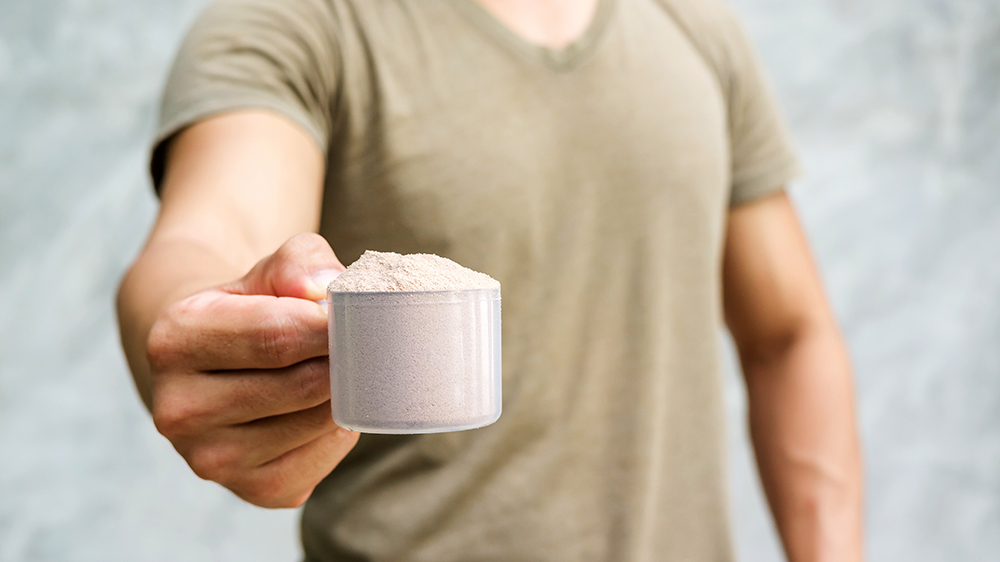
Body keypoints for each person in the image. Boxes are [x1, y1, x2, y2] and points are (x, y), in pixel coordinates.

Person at [116, 0, 864, 560]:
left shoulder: (692, 26)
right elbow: (207, 237)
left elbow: (788, 334)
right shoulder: (298, 23)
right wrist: (200, 329)